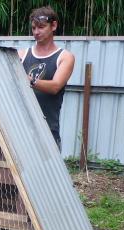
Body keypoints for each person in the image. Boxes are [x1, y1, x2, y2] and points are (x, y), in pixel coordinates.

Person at [18, 6, 75, 149]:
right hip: (20, 129)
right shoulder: (21, 55)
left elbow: (55, 86)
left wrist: (29, 80)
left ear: (53, 26)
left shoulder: (64, 57)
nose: (36, 32)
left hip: (48, 130)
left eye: (41, 27)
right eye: (34, 28)